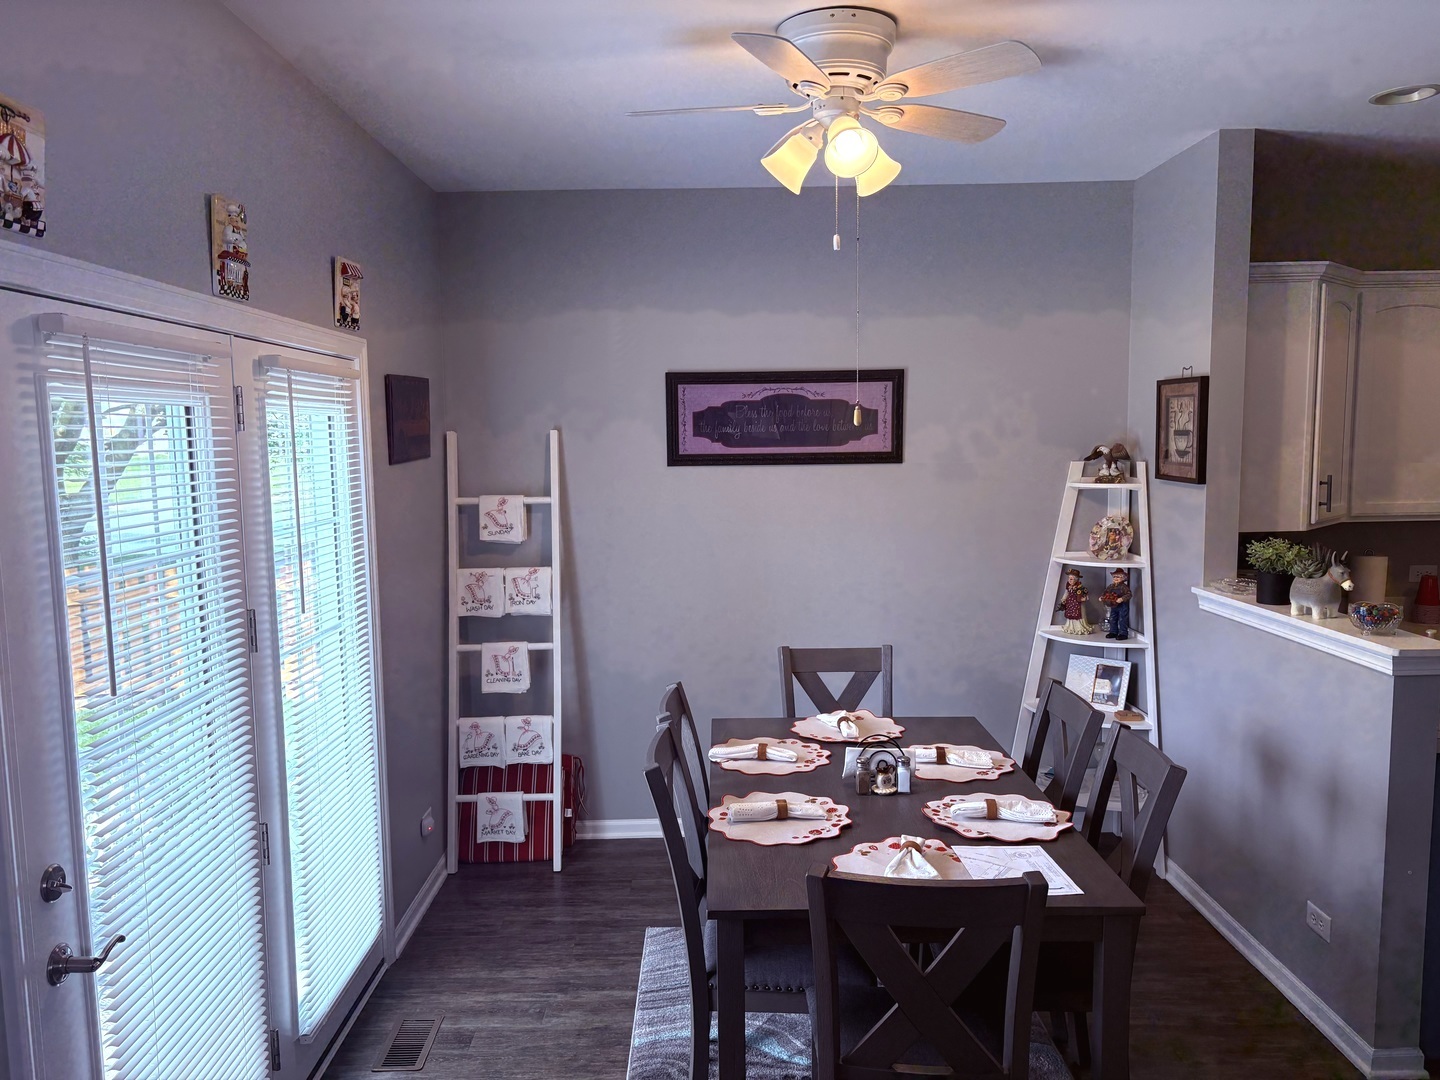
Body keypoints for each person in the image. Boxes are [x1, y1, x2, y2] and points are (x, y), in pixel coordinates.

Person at [1057, 567, 1093, 636]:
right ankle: (1071, 627)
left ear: (1076, 579)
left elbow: (1086, 595)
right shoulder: (1069, 587)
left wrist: (1084, 599)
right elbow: (1066, 593)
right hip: (1070, 604)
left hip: (1078, 604)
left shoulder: (1080, 588)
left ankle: (1079, 628)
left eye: (1071, 579)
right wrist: (1063, 599)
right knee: (1070, 615)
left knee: (1079, 615)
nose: (1069, 580)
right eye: (1069, 578)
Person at [1101, 567, 1132, 640]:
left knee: (1122, 619)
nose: (1115, 578)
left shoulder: (1124, 587)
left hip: (1122, 606)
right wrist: (1102, 597)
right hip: (1114, 605)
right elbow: (1105, 592)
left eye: (1118, 577)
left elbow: (1129, 594)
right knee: (1113, 618)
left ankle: (1123, 633)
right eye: (1114, 576)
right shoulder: (1111, 586)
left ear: (1123, 578)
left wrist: (1122, 599)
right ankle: (1113, 632)